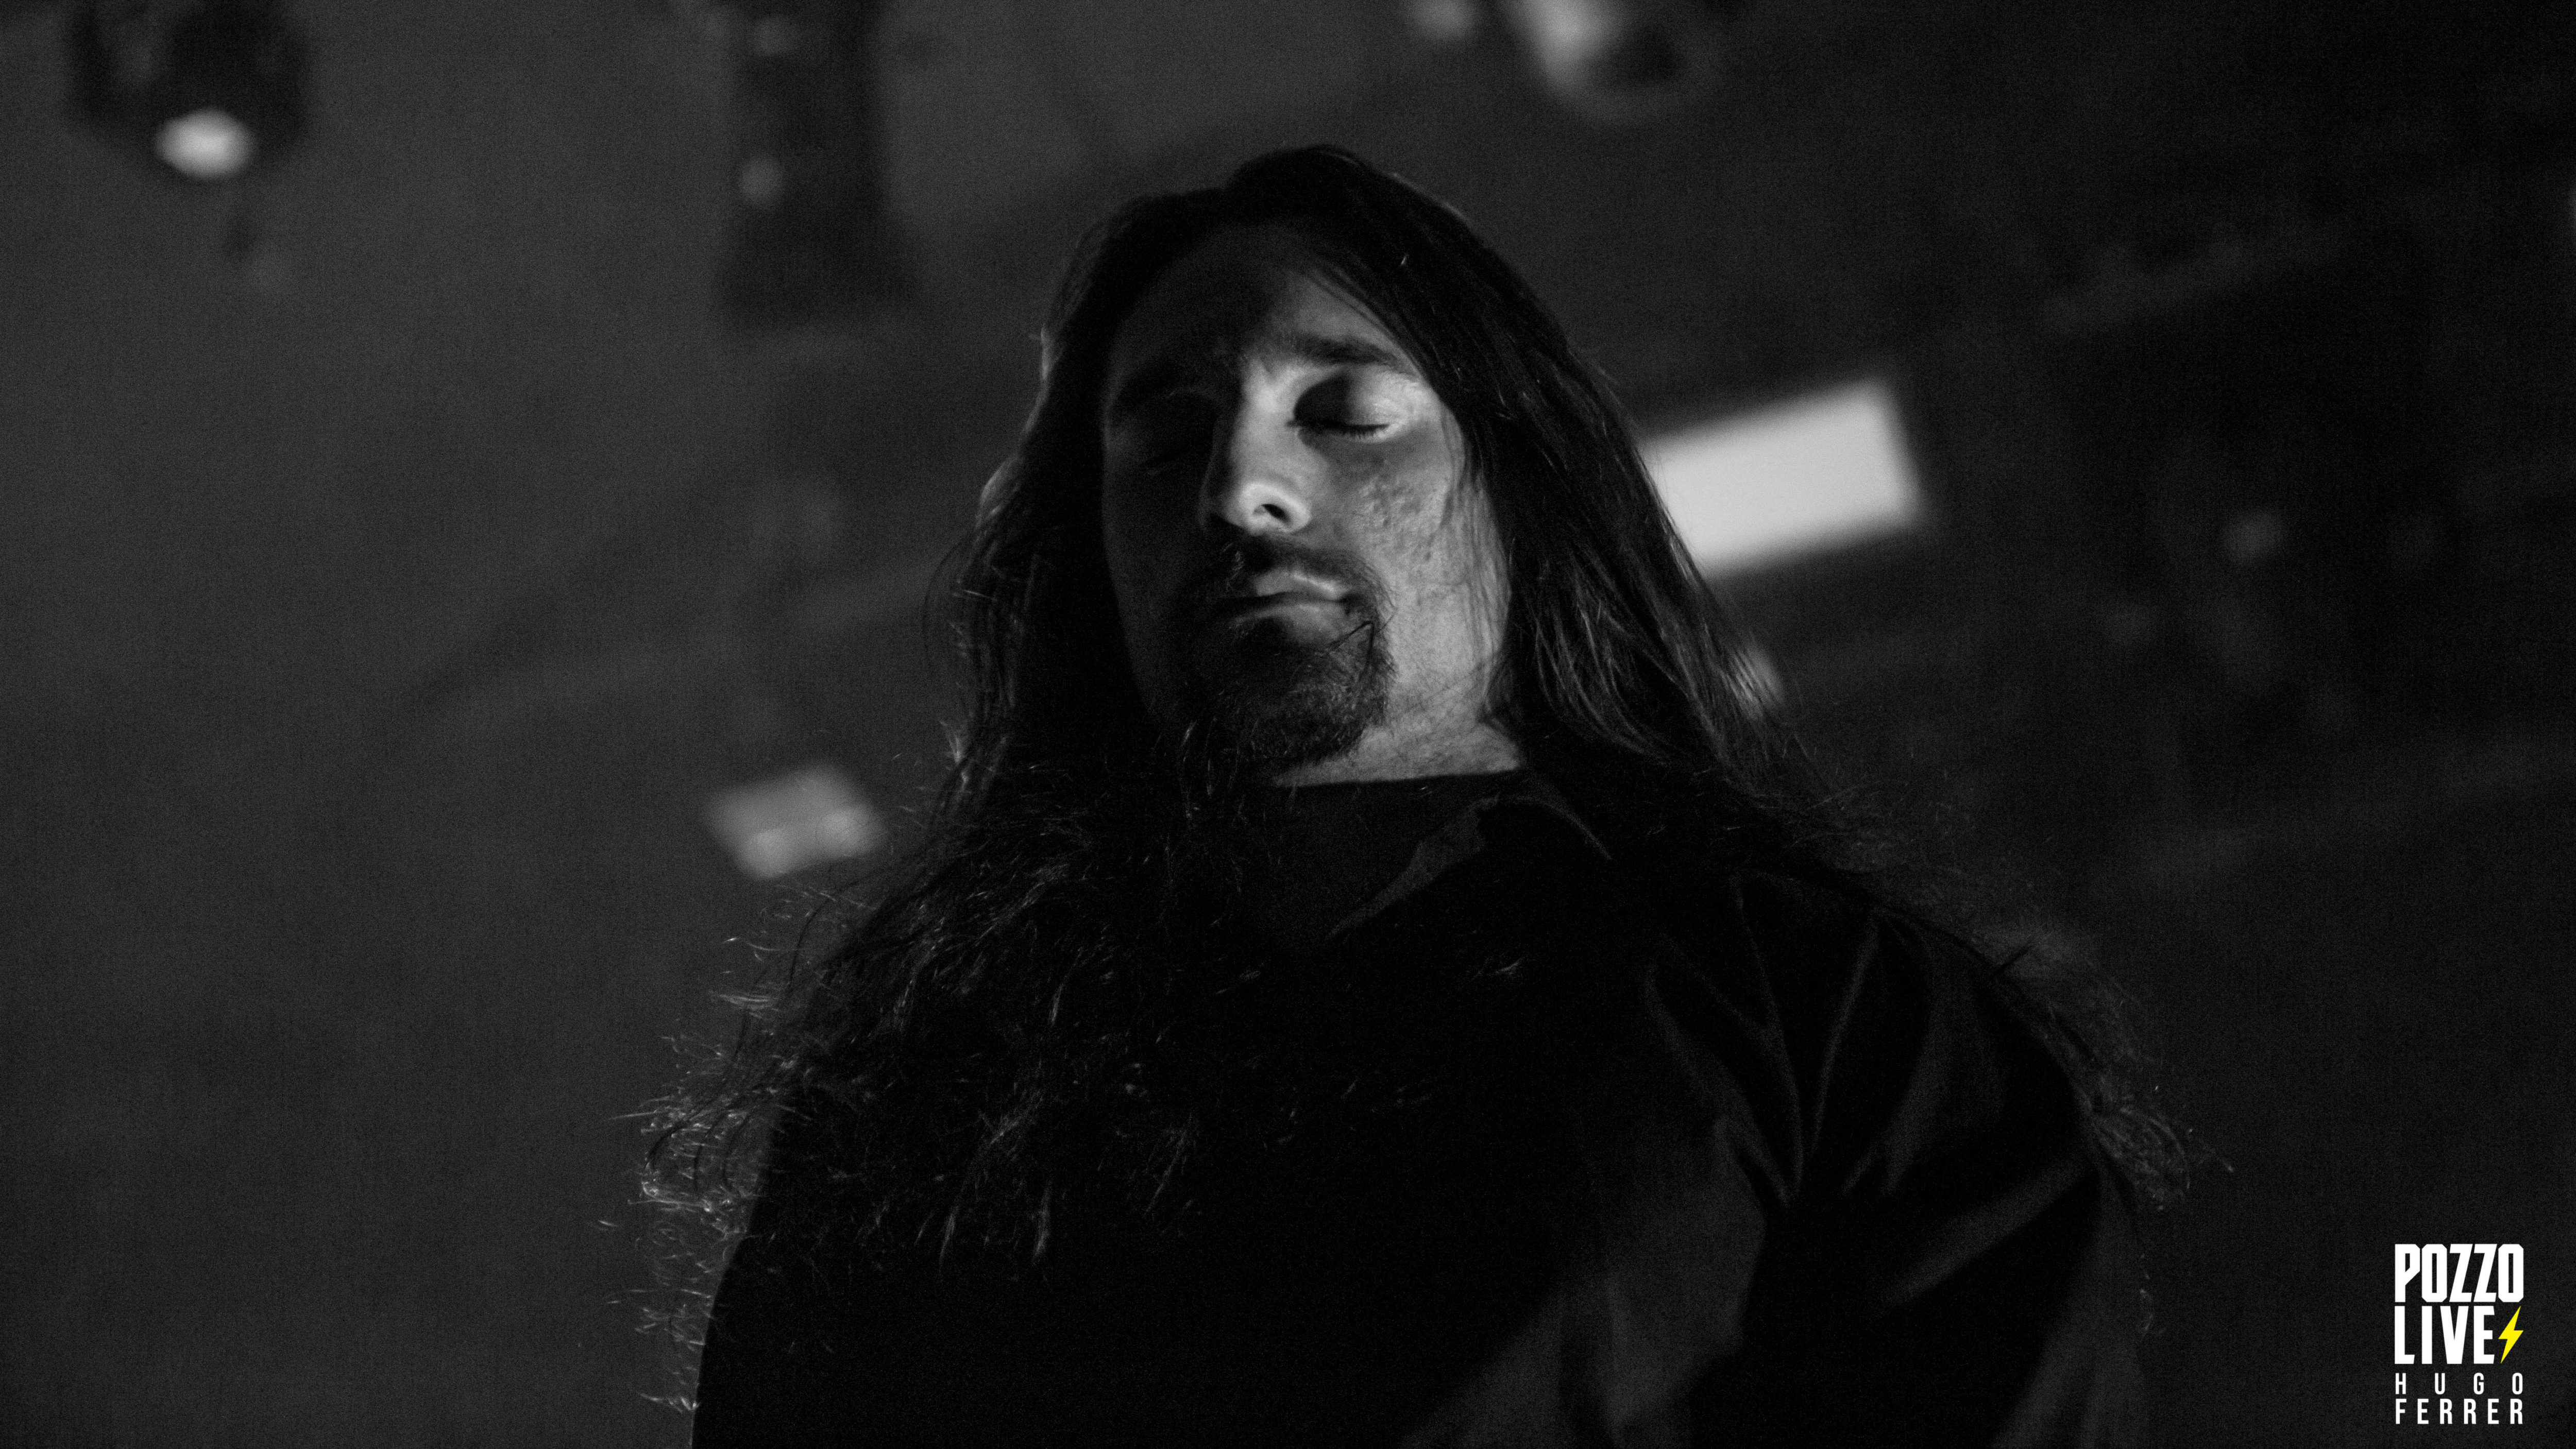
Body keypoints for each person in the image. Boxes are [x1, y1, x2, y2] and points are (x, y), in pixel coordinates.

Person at [653, 145, 2165, 1447]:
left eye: (1345, 410)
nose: (1239, 487)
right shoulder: (930, 1094)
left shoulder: (1833, 1021)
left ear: (1521, 487)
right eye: (1165, 439)